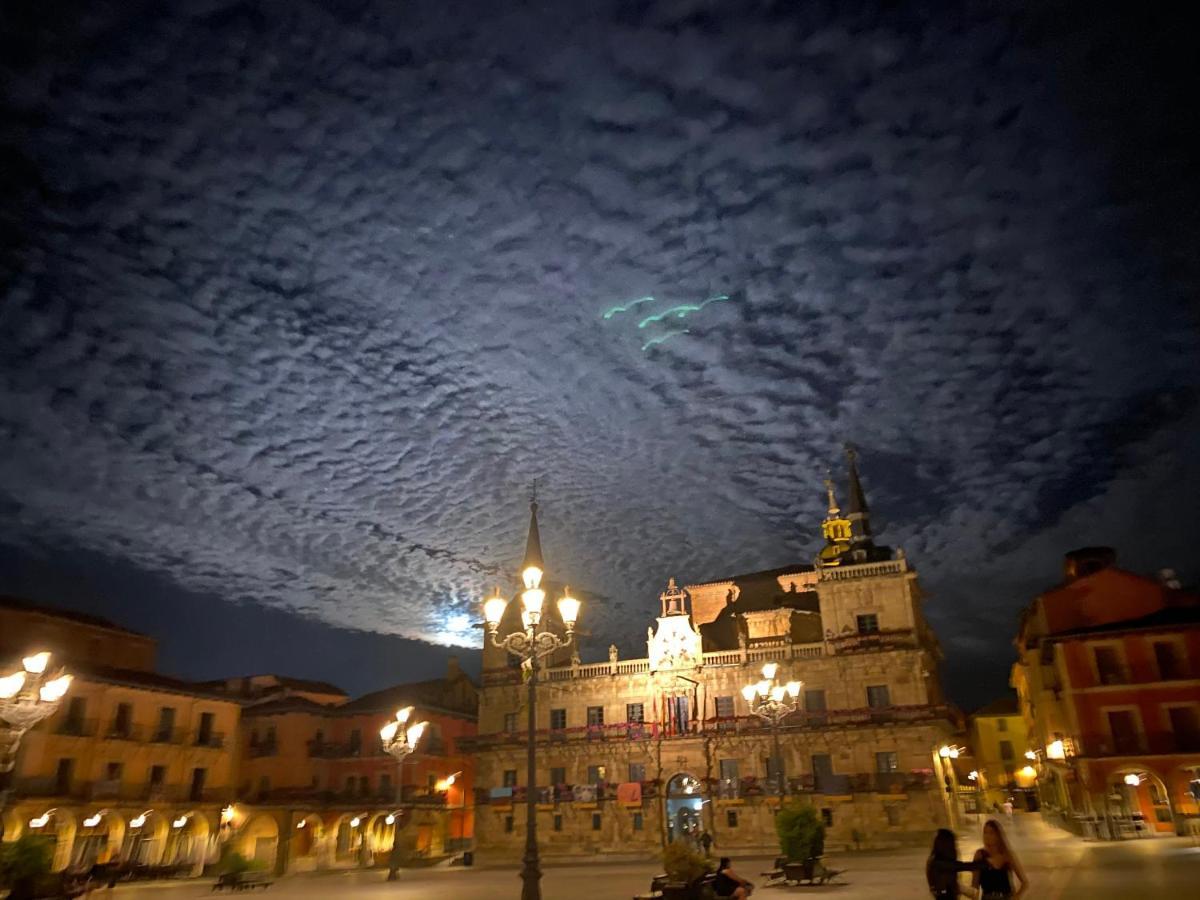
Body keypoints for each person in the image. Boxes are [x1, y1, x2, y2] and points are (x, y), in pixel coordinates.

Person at [972, 818, 1028, 900]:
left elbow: (1025, 882)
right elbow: (974, 886)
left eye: (991, 833)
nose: (987, 836)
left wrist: (1016, 897)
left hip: (1007, 896)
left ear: (998, 835)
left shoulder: (1007, 855)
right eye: (985, 832)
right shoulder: (980, 855)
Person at [926, 828, 978, 899]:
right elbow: (963, 866)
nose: (956, 848)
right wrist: (987, 864)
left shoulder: (934, 862)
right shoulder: (940, 863)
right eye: (953, 844)